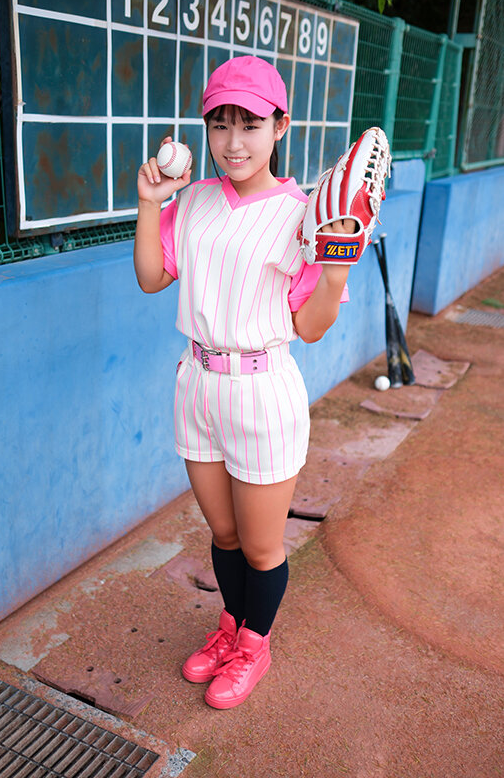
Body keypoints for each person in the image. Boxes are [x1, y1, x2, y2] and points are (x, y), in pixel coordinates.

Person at [134, 55, 352, 709]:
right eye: (220, 124)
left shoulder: (304, 214)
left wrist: (336, 269)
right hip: (197, 383)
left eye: (250, 125)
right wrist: (149, 204)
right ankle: (230, 628)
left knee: (260, 545)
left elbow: (310, 327)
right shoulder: (196, 199)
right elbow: (151, 277)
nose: (233, 142)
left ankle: (254, 646)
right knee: (223, 535)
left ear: (280, 126)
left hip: (262, 393)